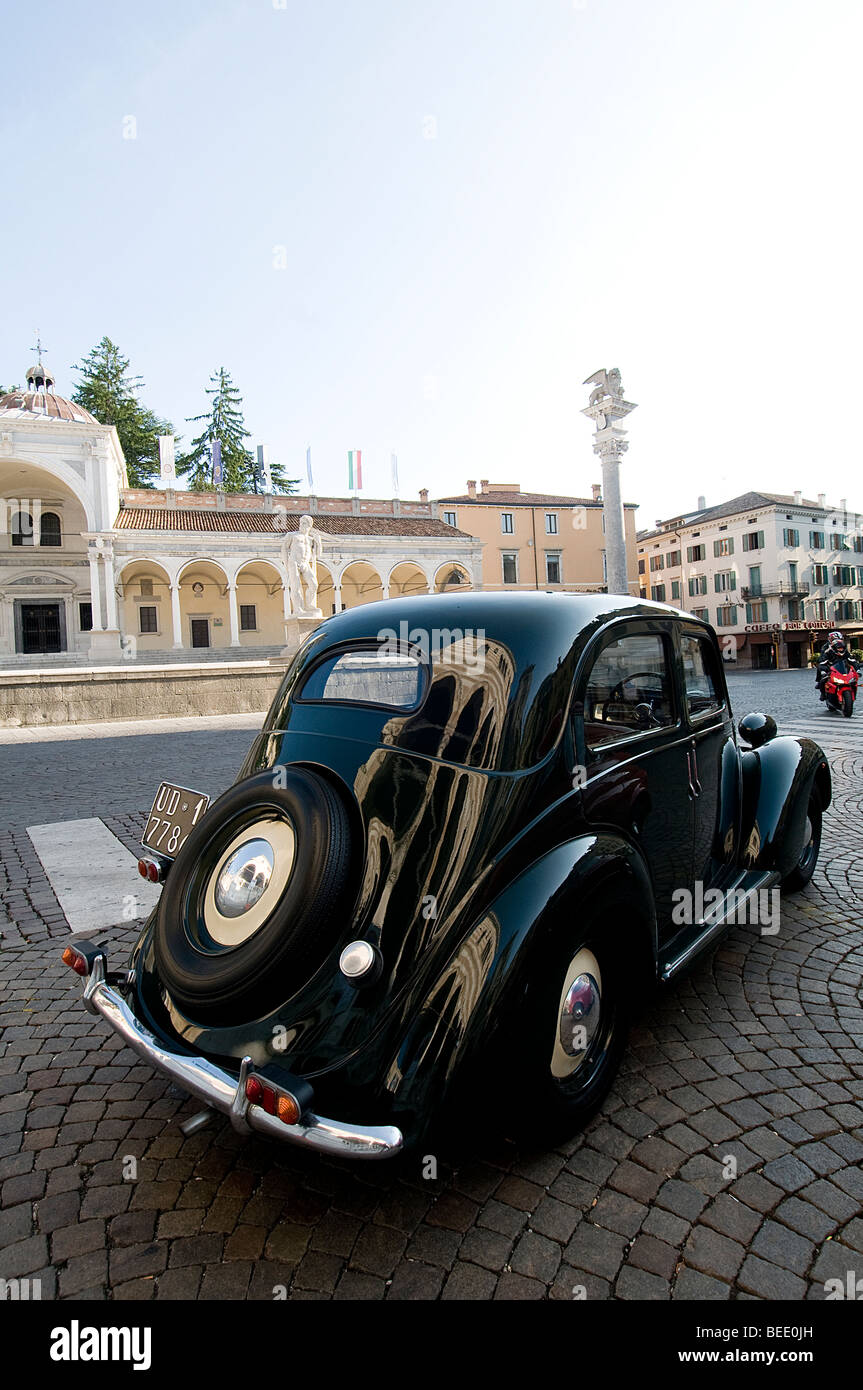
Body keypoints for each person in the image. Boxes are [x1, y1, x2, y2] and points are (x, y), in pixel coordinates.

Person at [815, 630, 854, 699]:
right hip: (830, 665)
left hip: (841, 665)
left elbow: (848, 657)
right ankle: (822, 691)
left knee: (852, 677)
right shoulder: (825, 647)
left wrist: (855, 665)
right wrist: (823, 663)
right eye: (834, 639)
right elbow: (822, 658)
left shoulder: (842, 646)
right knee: (823, 677)